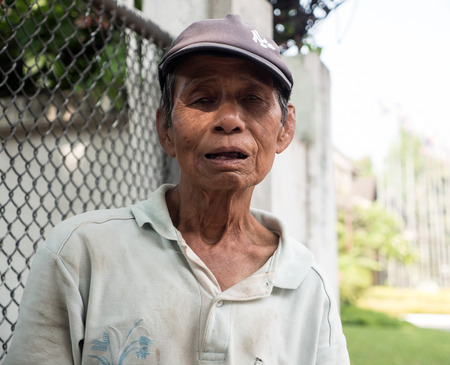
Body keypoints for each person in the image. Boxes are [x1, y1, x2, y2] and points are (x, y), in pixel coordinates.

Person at [5, 14, 350, 364]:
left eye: (252, 99)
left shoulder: (307, 287)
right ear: (165, 129)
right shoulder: (80, 254)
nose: (229, 120)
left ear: (285, 128)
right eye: (202, 99)